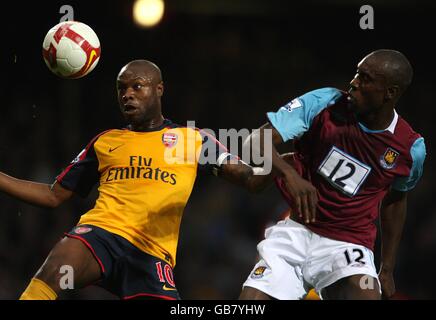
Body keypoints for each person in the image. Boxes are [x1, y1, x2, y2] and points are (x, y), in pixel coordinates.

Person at [0, 60, 270, 300]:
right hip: (100, 235)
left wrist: (283, 168)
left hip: (151, 254)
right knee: (54, 271)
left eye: (137, 86)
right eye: (121, 88)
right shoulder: (106, 141)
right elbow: (53, 195)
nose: (127, 94)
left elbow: (248, 177)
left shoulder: (193, 140)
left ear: (159, 90)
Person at [239, 49, 426, 300]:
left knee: (366, 295)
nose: (354, 82)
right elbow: (255, 139)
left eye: (365, 78)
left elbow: (396, 199)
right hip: (296, 231)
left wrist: (387, 268)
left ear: (389, 92)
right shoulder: (325, 103)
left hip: (348, 245)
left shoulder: (409, 148)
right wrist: (290, 175)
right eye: (357, 73)